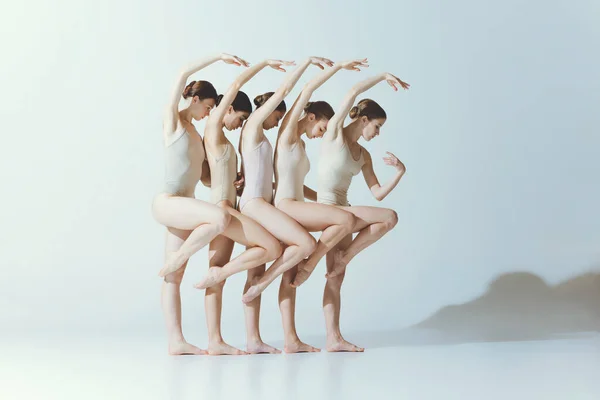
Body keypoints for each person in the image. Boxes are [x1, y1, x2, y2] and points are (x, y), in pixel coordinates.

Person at [267, 58, 370, 353]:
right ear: (311, 116)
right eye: (323, 126)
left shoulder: (299, 145)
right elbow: (305, 92)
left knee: (291, 272)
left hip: (298, 204)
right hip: (287, 207)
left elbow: (297, 184)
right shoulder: (287, 134)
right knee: (343, 220)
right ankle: (308, 271)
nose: (323, 133)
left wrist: (316, 199)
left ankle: (291, 339)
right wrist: (333, 67)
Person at [195, 58, 295, 355]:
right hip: (221, 211)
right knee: (266, 249)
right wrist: (264, 64)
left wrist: (232, 181)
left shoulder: (223, 140)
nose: (240, 125)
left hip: (230, 208)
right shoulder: (213, 130)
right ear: (226, 110)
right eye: (239, 118)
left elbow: (205, 176)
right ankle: (215, 340)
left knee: (221, 270)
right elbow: (236, 85)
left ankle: (233, 340)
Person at [233, 56, 333, 353]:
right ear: (267, 111)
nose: (277, 122)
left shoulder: (260, 137)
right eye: (276, 117)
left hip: (263, 203)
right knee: (304, 244)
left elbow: (263, 176)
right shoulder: (252, 127)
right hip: (255, 204)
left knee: (262, 263)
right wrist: (307, 63)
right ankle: (262, 282)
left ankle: (254, 340)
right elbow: (286, 90)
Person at [150, 53, 247, 355]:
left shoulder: (197, 134)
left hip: (185, 205)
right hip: (167, 201)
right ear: (194, 99)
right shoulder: (174, 121)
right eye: (207, 106)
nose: (209, 113)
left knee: (172, 278)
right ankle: (179, 259)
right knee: (219, 219)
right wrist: (218, 57)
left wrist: (235, 178)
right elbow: (181, 74)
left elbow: (206, 179)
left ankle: (176, 342)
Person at [309, 72, 410, 352]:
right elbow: (352, 91)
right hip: (326, 209)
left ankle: (333, 338)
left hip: (344, 212)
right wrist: (384, 76)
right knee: (388, 216)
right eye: (377, 126)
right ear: (363, 120)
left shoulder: (363, 155)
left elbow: (376, 191)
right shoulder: (334, 135)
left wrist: (400, 172)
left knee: (335, 276)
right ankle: (344, 259)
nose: (377, 133)